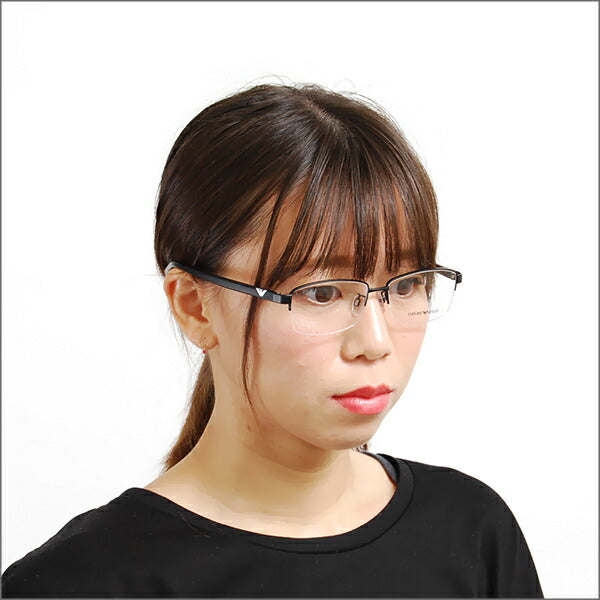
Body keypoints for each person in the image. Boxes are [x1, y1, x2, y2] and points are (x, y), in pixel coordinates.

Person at [1, 81, 544, 598]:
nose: (375, 342)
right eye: (323, 293)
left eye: (405, 285)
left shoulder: (473, 533)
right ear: (195, 306)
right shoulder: (80, 583)